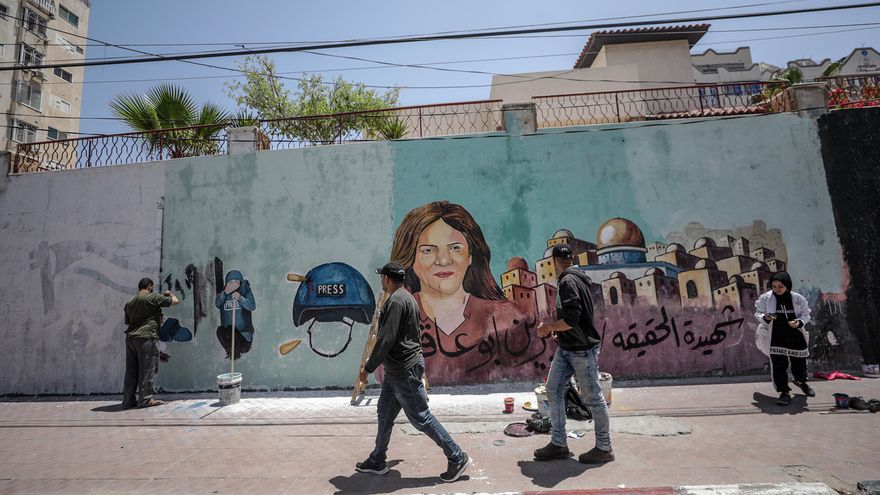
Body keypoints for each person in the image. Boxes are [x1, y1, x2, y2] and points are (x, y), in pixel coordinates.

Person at [390, 201, 537, 384]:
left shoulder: (505, 317)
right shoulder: (399, 315)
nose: (443, 261)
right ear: (411, 259)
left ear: (471, 256)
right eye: (428, 250)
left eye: (455, 248)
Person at [355, 262, 472, 483]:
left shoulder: (396, 301)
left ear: (387, 278)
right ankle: (377, 459)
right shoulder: (407, 298)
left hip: (403, 370)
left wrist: (368, 367)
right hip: (398, 370)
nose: (381, 281)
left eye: (382, 277)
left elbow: (386, 339)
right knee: (384, 413)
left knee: (421, 417)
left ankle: (456, 456)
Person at [534, 243, 613, 464]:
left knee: (593, 398)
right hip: (567, 347)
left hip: (581, 350)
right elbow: (572, 319)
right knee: (553, 388)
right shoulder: (577, 277)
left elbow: (572, 319)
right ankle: (559, 444)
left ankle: (604, 448)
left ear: (553, 261)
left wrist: (548, 327)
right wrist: (559, 332)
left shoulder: (568, 281)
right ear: (572, 258)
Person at [755, 271, 814, 405]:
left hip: (795, 336)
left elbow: (806, 315)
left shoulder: (798, 299)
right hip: (776, 336)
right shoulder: (766, 298)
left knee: (799, 362)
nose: (777, 289)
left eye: (781, 286)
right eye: (774, 286)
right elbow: (758, 313)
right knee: (779, 365)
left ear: (787, 285)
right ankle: (784, 392)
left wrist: (799, 322)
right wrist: (765, 317)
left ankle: (800, 381)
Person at [122, 277, 179, 409]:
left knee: (131, 371)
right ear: (150, 287)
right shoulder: (153, 297)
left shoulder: (129, 303)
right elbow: (175, 302)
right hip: (146, 337)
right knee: (147, 369)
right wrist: (169, 293)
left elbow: (129, 322)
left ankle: (128, 401)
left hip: (131, 338)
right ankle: (145, 400)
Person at [215, 270, 257, 360]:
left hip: (244, 338)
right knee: (220, 330)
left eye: (236, 282)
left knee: (231, 329)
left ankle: (235, 353)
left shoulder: (245, 290)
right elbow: (217, 304)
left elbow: (252, 306)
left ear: (240, 282)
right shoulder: (224, 292)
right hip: (229, 338)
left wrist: (240, 298)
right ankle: (231, 352)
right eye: (230, 282)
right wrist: (225, 293)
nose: (233, 284)